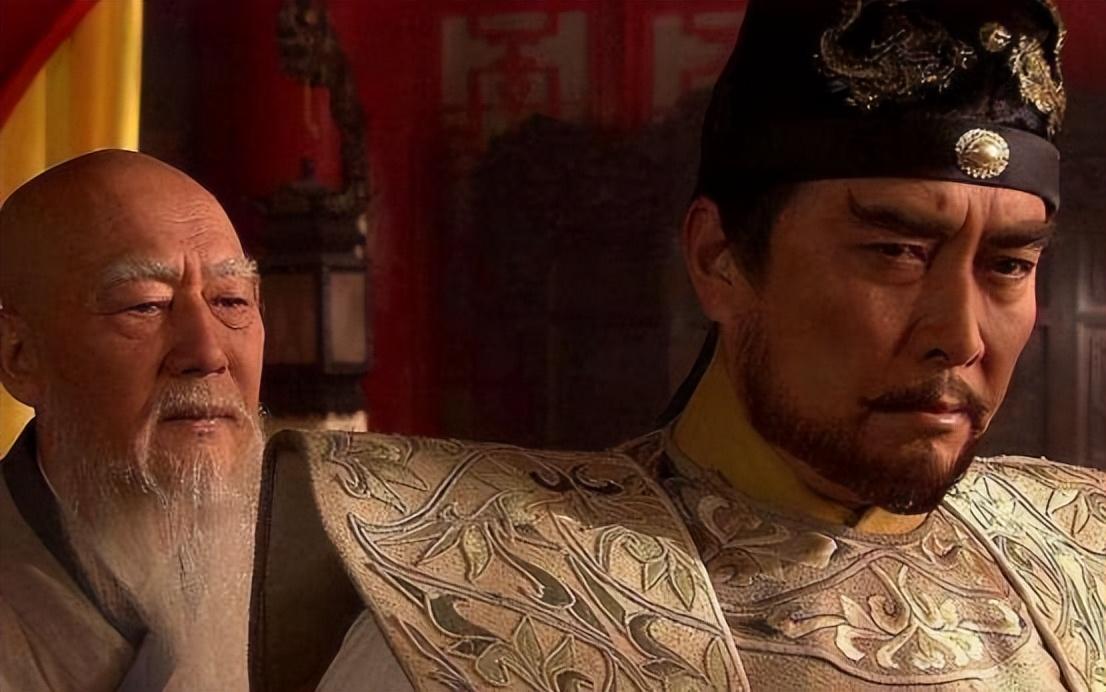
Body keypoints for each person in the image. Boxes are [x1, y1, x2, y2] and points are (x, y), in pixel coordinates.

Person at [249, 0, 1105, 690]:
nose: (959, 336)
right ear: (719, 259)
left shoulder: (1083, 561)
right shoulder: (484, 603)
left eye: (1009, 264)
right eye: (895, 252)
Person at [0, 150, 266, 691]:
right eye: (145, 305)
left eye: (231, 301)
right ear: (19, 356)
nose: (206, 352)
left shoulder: (347, 579)